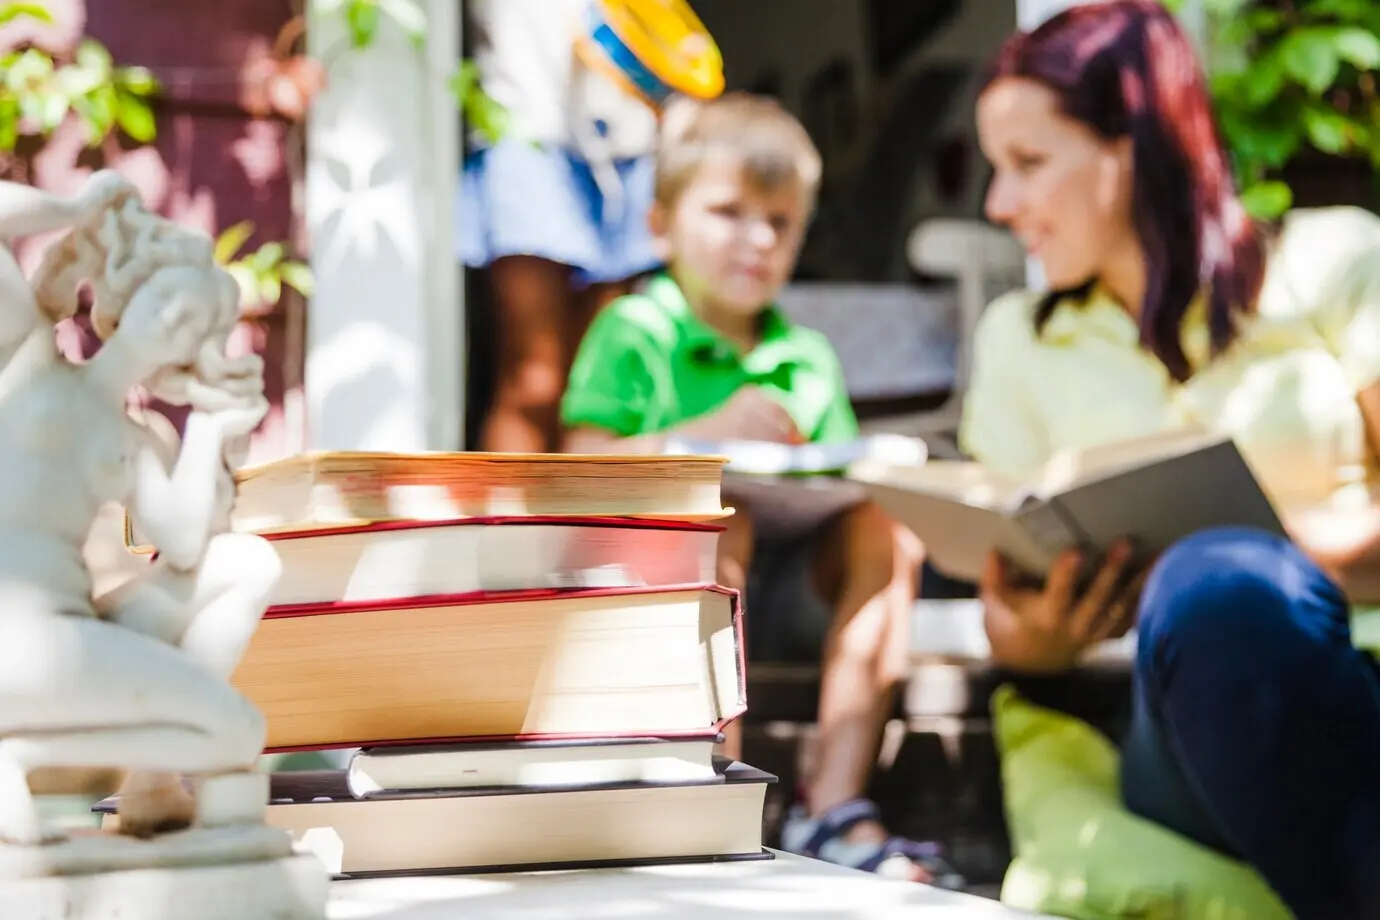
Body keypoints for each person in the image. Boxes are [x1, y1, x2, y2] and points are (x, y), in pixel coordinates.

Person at [963, 2, 1380, 917]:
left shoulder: (1337, 260)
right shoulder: (1015, 342)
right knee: (1216, 593)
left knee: (1225, 577)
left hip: (1357, 679)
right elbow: (1007, 627)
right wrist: (1040, 636)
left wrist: (1279, 554)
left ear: (1134, 145)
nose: (1000, 205)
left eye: (1028, 164)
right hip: (1155, 727)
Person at [560, 92, 960, 885]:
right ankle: (716, 795)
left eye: (779, 222)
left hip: (794, 591)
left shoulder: (806, 354)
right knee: (722, 518)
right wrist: (708, 434)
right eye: (729, 211)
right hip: (667, 599)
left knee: (886, 526)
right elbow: (579, 468)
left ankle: (836, 807)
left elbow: (842, 475)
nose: (756, 239)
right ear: (662, 222)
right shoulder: (632, 330)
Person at [459, 0, 664, 453]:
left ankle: (581, 524)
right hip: (527, 126)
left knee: (598, 388)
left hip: (627, 134)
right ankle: (509, 524)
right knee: (535, 378)